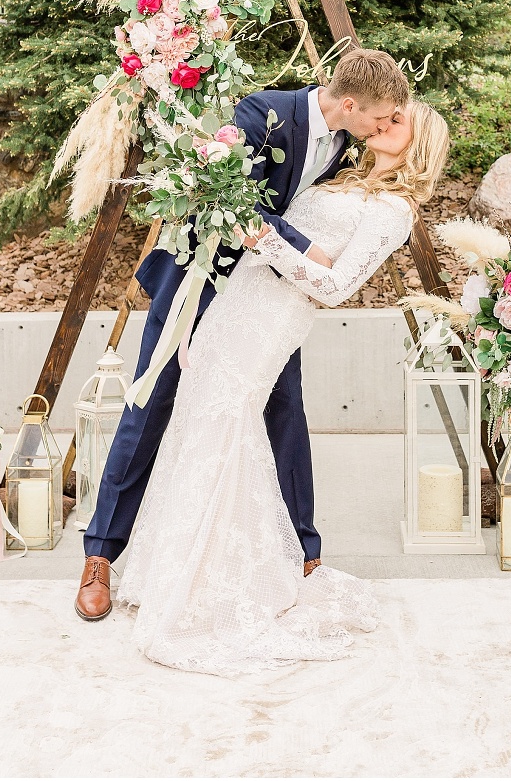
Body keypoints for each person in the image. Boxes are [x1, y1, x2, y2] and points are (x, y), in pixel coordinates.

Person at [115, 99, 451, 675]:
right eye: (386, 116)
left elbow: (337, 286)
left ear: (418, 147)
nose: (384, 124)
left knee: (228, 421)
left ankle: (226, 579)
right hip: (236, 301)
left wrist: (263, 244)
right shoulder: (343, 173)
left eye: (399, 124)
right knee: (199, 415)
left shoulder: (395, 211)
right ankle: (175, 568)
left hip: (273, 319)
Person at [75, 49, 411, 621]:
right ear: (349, 104)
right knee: (150, 405)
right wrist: (307, 250)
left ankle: (302, 551)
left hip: (267, 299)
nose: (384, 128)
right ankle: (101, 555)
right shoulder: (261, 115)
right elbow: (233, 202)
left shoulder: (345, 144)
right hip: (198, 278)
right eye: (379, 118)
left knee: (284, 411)